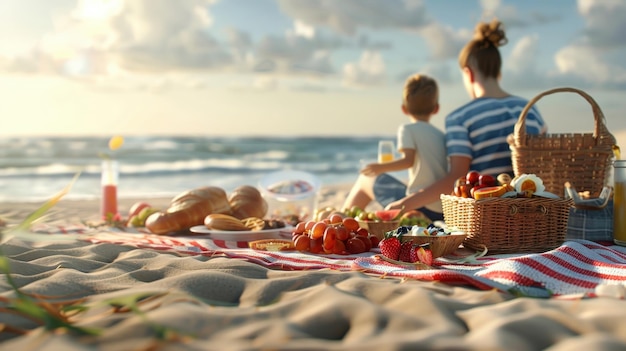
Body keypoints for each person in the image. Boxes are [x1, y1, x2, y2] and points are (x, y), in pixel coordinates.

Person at [384, 19, 547, 212]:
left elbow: (455, 178)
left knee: (373, 181)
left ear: (468, 74)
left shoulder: (460, 117)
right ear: (498, 72)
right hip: (526, 211)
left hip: (482, 215)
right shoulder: (530, 110)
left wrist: (404, 204)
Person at [343, 74, 448, 221]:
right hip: (442, 211)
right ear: (436, 109)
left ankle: (342, 222)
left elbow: (408, 161)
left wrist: (380, 168)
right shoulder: (441, 135)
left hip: (418, 207)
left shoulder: (407, 129)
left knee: (365, 178)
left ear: (404, 109)